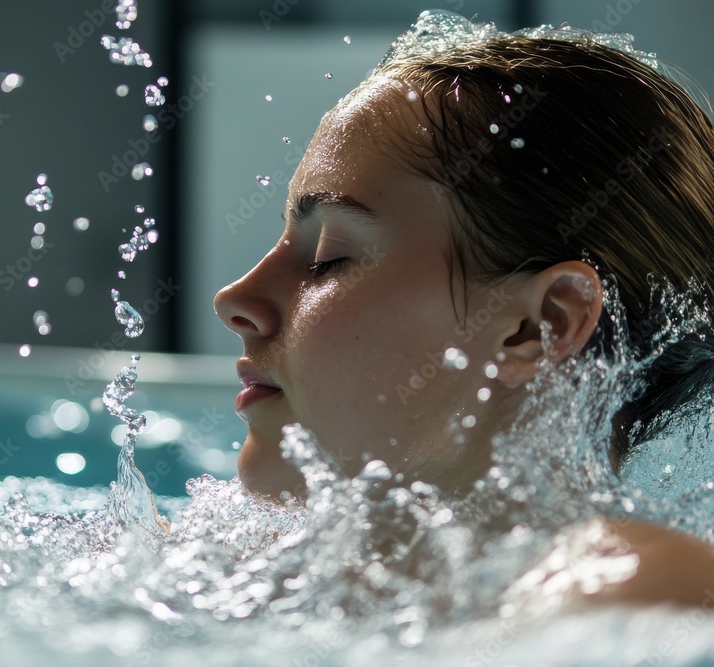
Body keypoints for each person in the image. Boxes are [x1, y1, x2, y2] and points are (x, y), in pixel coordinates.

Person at [213, 12, 714, 608]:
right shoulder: (239, 574)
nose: (235, 299)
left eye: (329, 256)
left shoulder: (633, 588)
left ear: (538, 326)